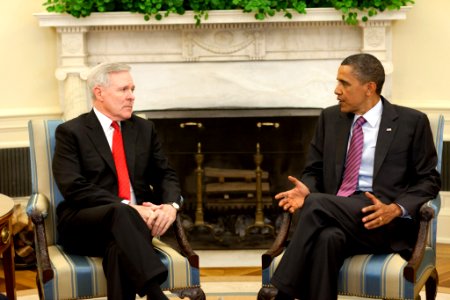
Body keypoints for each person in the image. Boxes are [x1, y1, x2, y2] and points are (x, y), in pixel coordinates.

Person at [270, 53, 441, 300]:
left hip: (381, 221)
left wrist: (395, 209)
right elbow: (313, 171)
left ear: (369, 88)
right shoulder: (330, 118)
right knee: (328, 238)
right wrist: (306, 188)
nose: (336, 90)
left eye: (344, 83)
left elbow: (429, 179)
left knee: (316, 203)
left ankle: (280, 291)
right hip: (335, 217)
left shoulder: (411, 122)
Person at [52, 62, 182, 300]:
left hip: (134, 227)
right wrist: (129, 208)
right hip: (84, 223)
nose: (132, 97)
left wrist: (170, 207)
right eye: (124, 90)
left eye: (132, 89)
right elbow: (73, 187)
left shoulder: (144, 129)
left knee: (118, 249)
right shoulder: (71, 132)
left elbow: (165, 174)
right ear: (99, 93)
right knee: (121, 213)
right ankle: (156, 293)